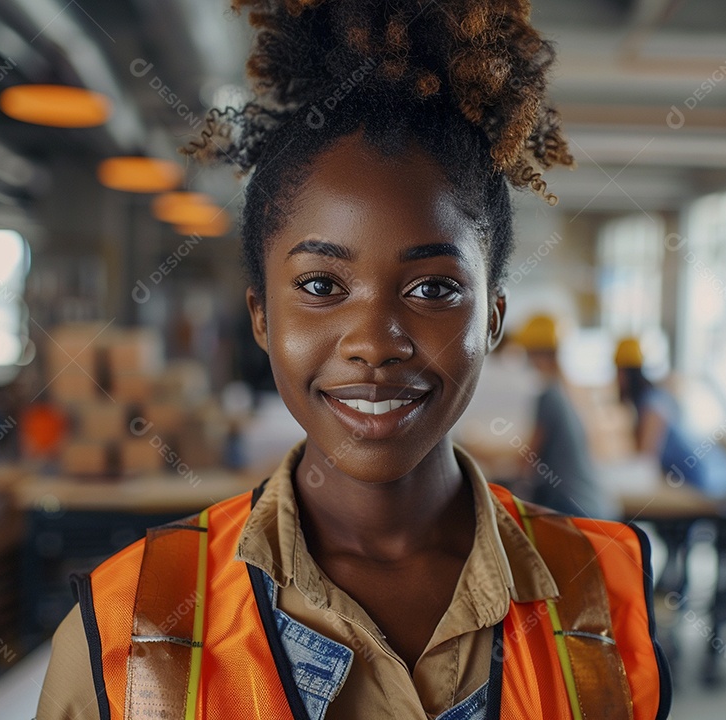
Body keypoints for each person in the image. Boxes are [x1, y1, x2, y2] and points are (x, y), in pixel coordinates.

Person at [37, 1, 670, 718]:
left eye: (433, 287)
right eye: (320, 286)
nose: (374, 341)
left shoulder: (604, 595)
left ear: (492, 319)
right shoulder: (131, 623)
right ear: (261, 317)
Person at [514, 314, 617, 519]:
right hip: (595, 505)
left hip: (572, 510)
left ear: (535, 353)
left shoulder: (549, 396)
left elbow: (528, 458)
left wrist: (484, 455)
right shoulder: (569, 392)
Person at [614, 337, 726, 497]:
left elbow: (644, 461)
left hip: (705, 476)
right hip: (715, 470)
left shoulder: (652, 404)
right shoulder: (655, 398)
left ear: (623, 373)